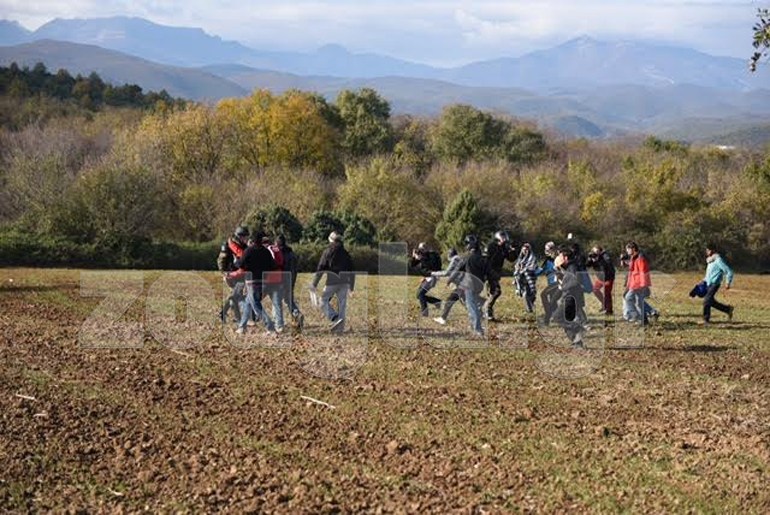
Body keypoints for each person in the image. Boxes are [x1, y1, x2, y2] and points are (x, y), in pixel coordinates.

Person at [225, 230, 277, 335]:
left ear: (252, 240)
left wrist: (236, 261)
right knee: (248, 303)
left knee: (256, 306)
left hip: (251, 281)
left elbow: (241, 265)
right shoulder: (266, 251)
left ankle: (270, 328)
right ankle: (242, 327)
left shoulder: (249, 251)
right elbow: (273, 266)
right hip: (263, 281)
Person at [311, 231, 355, 333]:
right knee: (342, 304)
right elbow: (352, 271)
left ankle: (334, 318)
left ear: (330, 240)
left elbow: (321, 267)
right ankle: (340, 328)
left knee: (322, 301)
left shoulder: (328, 251)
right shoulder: (346, 253)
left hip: (332, 281)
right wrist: (351, 287)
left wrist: (314, 283)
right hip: (344, 282)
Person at [447, 235, 487, 337]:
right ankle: (476, 321)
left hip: (469, 285)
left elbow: (457, 270)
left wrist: (449, 280)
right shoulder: (482, 257)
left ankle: (478, 329)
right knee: (473, 303)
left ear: (469, 245)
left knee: (471, 306)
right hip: (480, 285)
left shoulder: (466, 257)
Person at [552, 246, 587, 349]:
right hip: (570, 297)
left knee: (558, 317)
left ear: (566, 257)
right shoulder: (570, 267)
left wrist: (563, 286)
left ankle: (577, 328)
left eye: (561, 256)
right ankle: (577, 342)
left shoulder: (572, 267)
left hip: (571, 298)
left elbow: (574, 282)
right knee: (565, 319)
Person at [217, 226, 249, 323]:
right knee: (237, 295)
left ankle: (225, 313)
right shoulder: (227, 245)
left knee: (236, 295)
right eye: (245, 237)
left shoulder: (243, 246)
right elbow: (221, 259)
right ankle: (238, 318)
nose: (246, 239)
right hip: (230, 273)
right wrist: (224, 272)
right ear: (239, 236)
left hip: (240, 273)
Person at [483, 230, 516, 321]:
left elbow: (511, 259)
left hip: (497, 272)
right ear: (497, 237)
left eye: (505, 236)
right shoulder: (491, 246)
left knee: (491, 293)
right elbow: (485, 259)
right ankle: (486, 310)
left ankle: (487, 313)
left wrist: (512, 250)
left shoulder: (504, 247)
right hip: (489, 272)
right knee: (496, 292)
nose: (505, 238)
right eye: (502, 236)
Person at [275, 234, 304, 329]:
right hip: (291, 279)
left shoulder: (279, 253)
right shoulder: (291, 253)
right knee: (289, 300)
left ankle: (278, 322)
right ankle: (297, 313)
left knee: (277, 301)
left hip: (281, 280)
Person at [701, 243, 735, 325]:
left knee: (706, 300)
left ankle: (706, 320)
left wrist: (728, 282)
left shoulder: (718, 260)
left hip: (715, 284)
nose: (706, 251)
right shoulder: (710, 260)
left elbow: (729, 271)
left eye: (708, 250)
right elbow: (709, 273)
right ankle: (727, 309)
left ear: (712, 250)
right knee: (710, 301)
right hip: (708, 283)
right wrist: (704, 280)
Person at [622, 241, 654, 325]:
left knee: (629, 298)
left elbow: (643, 272)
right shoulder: (633, 257)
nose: (627, 251)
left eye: (628, 249)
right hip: (634, 283)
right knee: (639, 303)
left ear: (633, 249)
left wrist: (643, 285)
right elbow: (631, 271)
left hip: (638, 284)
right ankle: (644, 321)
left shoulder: (640, 258)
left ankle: (635, 316)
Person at [432, 248, 464, 325]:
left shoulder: (455, 260)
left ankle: (443, 318)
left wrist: (433, 273)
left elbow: (446, 273)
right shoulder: (460, 259)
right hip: (463, 284)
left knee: (450, 300)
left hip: (462, 285)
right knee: (466, 302)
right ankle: (481, 314)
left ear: (450, 254)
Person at [409, 242, 443, 316]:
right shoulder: (422, 255)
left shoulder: (432, 255)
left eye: (423, 248)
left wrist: (421, 259)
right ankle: (436, 301)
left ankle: (424, 313)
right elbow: (412, 265)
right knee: (418, 295)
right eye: (420, 248)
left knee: (421, 294)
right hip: (427, 277)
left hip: (432, 277)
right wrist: (414, 256)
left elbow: (431, 266)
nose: (421, 250)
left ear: (427, 248)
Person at [262, 234, 286, 332]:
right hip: (278, 279)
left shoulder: (267, 250)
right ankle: (280, 325)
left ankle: (266, 322)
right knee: (277, 303)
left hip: (268, 280)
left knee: (254, 302)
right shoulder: (276, 249)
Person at [586, 245, 616, 315]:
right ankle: (604, 304)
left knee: (607, 294)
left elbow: (606, 265)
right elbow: (587, 265)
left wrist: (598, 260)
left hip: (608, 278)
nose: (595, 253)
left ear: (600, 251)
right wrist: (590, 259)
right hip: (600, 278)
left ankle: (609, 311)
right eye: (593, 251)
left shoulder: (605, 256)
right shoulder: (594, 257)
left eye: (596, 251)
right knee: (595, 290)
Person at [537, 241, 560, 325]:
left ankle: (548, 317)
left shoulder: (558, 258)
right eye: (546, 250)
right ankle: (556, 317)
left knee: (544, 295)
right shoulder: (547, 260)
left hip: (558, 282)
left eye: (548, 249)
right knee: (552, 300)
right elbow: (540, 270)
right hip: (551, 283)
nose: (546, 252)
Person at [513, 243, 538, 313]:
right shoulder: (520, 258)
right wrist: (518, 269)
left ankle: (530, 309)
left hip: (529, 278)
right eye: (524, 250)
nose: (525, 251)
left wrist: (523, 269)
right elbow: (516, 267)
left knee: (530, 294)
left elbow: (533, 267)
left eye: (526, 250)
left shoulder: (532, 258)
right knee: (525, 294)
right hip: (521, 279)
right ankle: (529, 309)